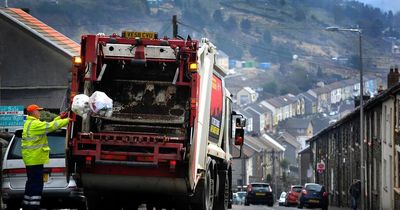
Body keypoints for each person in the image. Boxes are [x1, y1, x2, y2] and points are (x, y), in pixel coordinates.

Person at [21, 104, 70, 210]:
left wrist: (60, 117)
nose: (39, 112)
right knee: (37, 184)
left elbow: (47, 124)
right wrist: (67, 120)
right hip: (35, 159)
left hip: (31, 159)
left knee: (31, 182)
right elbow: (51, 126)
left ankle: (26, 205)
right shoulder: (35, 124)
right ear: (33, 112)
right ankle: (34, 207)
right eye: (38, 111)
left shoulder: (30, 123)